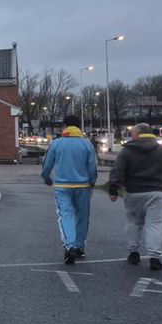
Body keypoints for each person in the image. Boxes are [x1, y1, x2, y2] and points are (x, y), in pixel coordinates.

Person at [108, 123, 162, 271]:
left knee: (134, 222)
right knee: (155, 225)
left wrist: (113, 189)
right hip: (157, 192)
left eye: (133, 133)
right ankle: (155, 257)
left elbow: (117, 170)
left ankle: (133, 252)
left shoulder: (127, 151)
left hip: (134, 192)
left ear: (138, 134)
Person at [41, 114, 98, 265]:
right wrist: (92, 181)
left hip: (62, 186)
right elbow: (92, 166)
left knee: (66, 215)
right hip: (84, 186)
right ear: (79, 127)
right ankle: (79, 246)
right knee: (82, 216)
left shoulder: (56, 143)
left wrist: (46, 177)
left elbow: (47, 164)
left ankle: (70, 245)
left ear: (65, 126)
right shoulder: (87, 144)